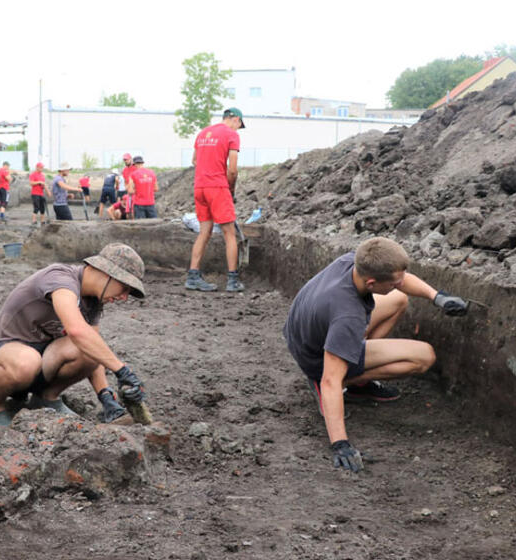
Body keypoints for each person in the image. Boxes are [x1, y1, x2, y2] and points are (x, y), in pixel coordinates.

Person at [283, 237, 469, 473]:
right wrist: (340, 444)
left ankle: (355, 374)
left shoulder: (354, 261)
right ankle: (348, 381)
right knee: (424, 356)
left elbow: (399, 281)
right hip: (317, 359)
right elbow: (331, 380)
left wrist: (438, 297)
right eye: (394, 282)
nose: (400, 283)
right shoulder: (347, 316)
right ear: (371, 283)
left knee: (398, 299)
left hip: (306, 336)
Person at [0, 243, 149, 429]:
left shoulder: (93, 301)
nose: (124, 297)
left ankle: (46, 399)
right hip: (5, 358)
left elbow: (92, 346)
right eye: (124, 288)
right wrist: (122, 371)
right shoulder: (60, 278)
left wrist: (106, 397)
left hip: (43, 363)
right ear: (106, 272)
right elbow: (77, 330)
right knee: (27, 361)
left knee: (91, 349)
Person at [185, 107, 246, 293]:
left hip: (199, 187)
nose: (238, 129)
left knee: (204, 231)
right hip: (217, 187)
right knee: (229, 234)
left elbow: (194, 160)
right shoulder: (231, 135)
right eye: (239, 125)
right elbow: (233, 169)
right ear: (235, 119)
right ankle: (233, 280)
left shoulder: (203, 133)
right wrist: (231, 188)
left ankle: (193, 276)